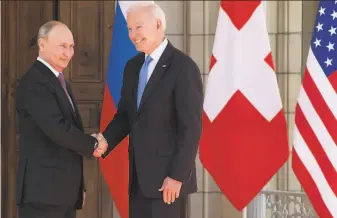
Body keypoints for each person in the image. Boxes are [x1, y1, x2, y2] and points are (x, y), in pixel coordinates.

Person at [96, 2, 203, 218]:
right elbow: (126, 116)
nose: (132, 34)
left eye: (138, 27)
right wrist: (105, 139)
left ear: (158, 24)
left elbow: (190, 128)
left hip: (168, 183)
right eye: (129, 29)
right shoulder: (132, 66)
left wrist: (177, 176)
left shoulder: (183, 67)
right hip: (138, 181)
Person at [15, 21, 108, 218]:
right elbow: (58, 129)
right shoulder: (34, 81)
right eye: (62, 46)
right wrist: (92, 144)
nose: (69, 53)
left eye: (71, 46)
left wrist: (77, 188)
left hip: (62, 194)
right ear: (42, 44)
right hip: (43, 196)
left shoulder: (59, 80)